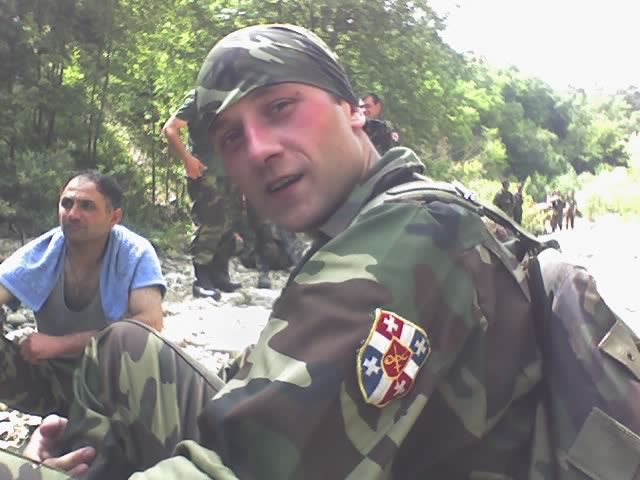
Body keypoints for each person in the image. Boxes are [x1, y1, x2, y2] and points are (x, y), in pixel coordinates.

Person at [0, 24, 624, 479]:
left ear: (353, 110)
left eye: (280, 108)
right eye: (232, 137)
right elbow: (266, 375)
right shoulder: (374, 221)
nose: (259, 148)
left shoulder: (409, 239)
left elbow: (244, 468)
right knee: (124, 351)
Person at [0, 171, 165, 418]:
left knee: (141, 348)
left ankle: (101, 430)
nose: (73, 214)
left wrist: (59, 345)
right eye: (67, 203)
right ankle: (66, 422)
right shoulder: (44, 251)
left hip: (112, 389)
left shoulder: (135, 253)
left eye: (87, 206)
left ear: (114, 217)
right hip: (52, 383)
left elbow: (150, 324)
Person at [163, 90, 244, 298]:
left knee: (230, 222)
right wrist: (187, 159)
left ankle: (220, 274)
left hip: (233, 172)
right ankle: (202, 279)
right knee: (210, 222)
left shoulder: (238, 96)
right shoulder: (199, 96)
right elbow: (171, 128)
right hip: (206, 173)